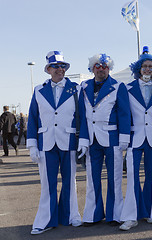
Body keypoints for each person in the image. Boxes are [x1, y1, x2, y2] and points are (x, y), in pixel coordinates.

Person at [26, 51, 89, 235]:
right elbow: (32, 119)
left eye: (63, 66)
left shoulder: (76, 89)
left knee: (70, 181)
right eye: (55, 66)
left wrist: (83, 141)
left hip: (68, 141)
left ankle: (71, 215)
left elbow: (83, 117)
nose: (60, 69)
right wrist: (32, 145)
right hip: (46, 143)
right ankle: (45, 219)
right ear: (48, 69)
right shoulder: (39, 90)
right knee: (47, 183)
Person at [81, 53, 131, 226]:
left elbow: (125, 114)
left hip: (112, 139)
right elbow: (82, 115)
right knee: (91, 178)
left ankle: (115, 214)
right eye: (98, 66)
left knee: (115, 177)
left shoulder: (118, 86)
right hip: (91, 139)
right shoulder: (84, 86)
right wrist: (82, 138)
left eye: (104, 66)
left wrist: (124, 137)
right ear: (92, 68)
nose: (101, 69)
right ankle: (92, 214)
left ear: (109, 68)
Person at [119, 47, 152, 231]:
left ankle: (151, 211)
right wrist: (123, 137)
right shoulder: (127, 88)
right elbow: (123, 114)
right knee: (132, 176)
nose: (147, 69)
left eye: (150, 66)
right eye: (144, 66)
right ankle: (131, 216)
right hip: (134, 138)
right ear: (138, 68)